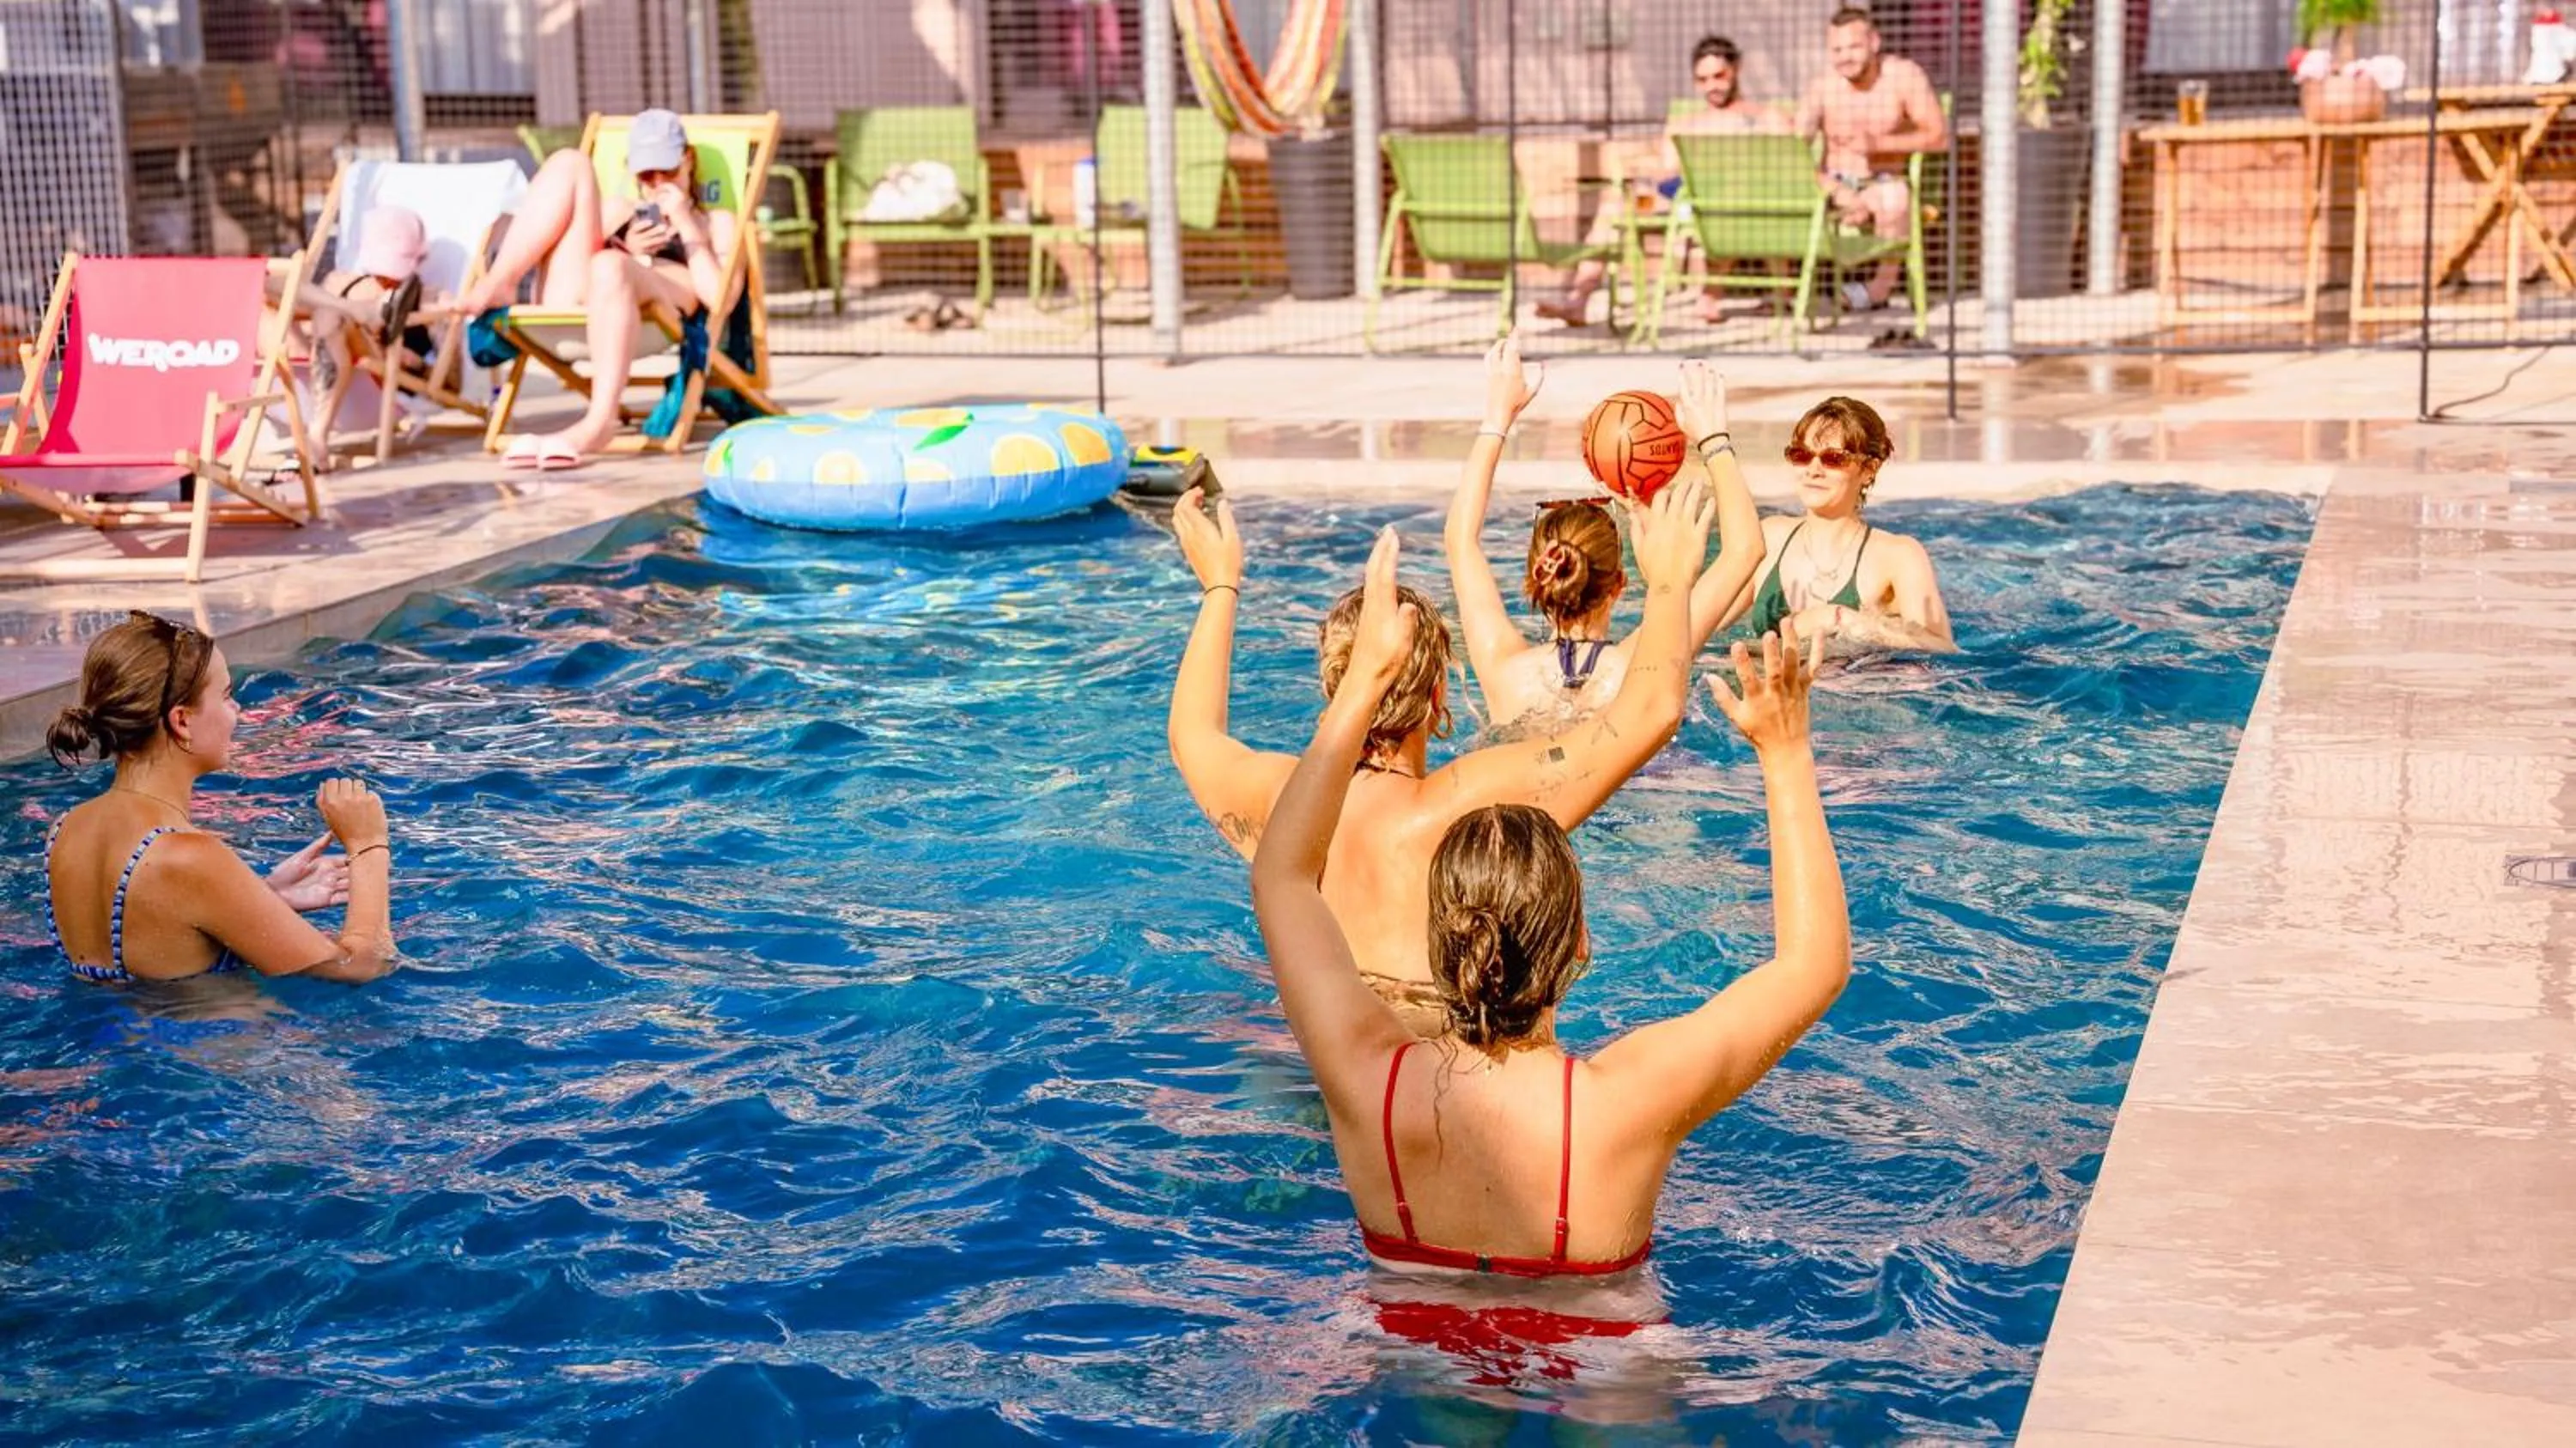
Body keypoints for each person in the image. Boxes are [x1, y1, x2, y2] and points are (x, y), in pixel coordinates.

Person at [1249, 534, 1848, 1284]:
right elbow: (1815, 965)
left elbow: (1282, 878)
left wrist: (1365, 679)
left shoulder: (1371, 1086)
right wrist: (1785, 754)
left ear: (1443, 943)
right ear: (1581, 946)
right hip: (1603, 1370)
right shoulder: (1627, 1103)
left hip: (1411, 1350)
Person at [1169, 475, 1716, 1036]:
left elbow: (1192, 734)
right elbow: (1650, 712)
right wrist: (1670, 583)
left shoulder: (1279, 802)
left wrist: (1220, 586)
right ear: (1438, 698)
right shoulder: (1471, 805)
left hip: (1292, 1058)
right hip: (1420, 1076)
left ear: (1334, 683)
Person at [41, 613, 399, 985]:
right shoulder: (189, 856)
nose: (237, 710)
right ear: (181, 720)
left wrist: (261, 898)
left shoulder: (65, 830)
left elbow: (156, 940)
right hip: (216, 1043)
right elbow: (360, 966)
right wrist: (367, 843)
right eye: (226, 695)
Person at [1443, 338, 1764, 730]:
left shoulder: (1503, 672)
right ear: (1619, 584)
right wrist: (1714, 439)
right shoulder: (1646, 662)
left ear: (1537, 577)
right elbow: (1745, 551)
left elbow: (1461, 541)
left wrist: (1496, 418)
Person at [444, 108, 744, 466]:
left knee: (609, 265)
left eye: (669, 170)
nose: (659, 181)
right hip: (579, 304)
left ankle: (599, 422)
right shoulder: (621, 210)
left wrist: (685, 225)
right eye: (647, 174)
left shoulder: (716, 222)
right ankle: (500, 283)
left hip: (656, 310)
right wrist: (624, 244)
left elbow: (719, 300)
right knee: (571, 163)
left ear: (689, 160)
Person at [1534, 34, 1784, 327]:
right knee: (1615, 205)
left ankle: (1711, 293)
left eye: (1719, 76)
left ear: (1736, 69)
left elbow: (1784, 170)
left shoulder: (1766, 118)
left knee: (1719, 207)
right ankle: (1578, 300)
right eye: (1702, 80)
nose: (1711, 86)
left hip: (1742, 204)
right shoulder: (1687, 124)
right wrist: (1640, 172)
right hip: (1684, 200)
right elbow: (1668, 172)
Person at [1716, 394, 1955, 654]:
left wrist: (1842, 620)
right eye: (1801, 455)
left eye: (1833, 459)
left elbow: (1942, 648)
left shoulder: (1898, 555)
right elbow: (1704, 623)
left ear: (1868, 470)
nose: (1813, 470)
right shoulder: (1769, 538)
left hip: (1856, 689)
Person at [1795, 7, 1949, 314]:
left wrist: (1880, 144)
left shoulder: (1903, 76)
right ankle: (1789, 292)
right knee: (1787, 182)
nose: (1845, 57)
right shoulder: (1822, 86)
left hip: (1882, 181)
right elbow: (1794, 149)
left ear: (1874, 42)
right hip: (1833, 185)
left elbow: (1939, 137)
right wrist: (1837, 192)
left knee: (1895, 197)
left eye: (1854, 47)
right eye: (1836, 49)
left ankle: (1878, 290)